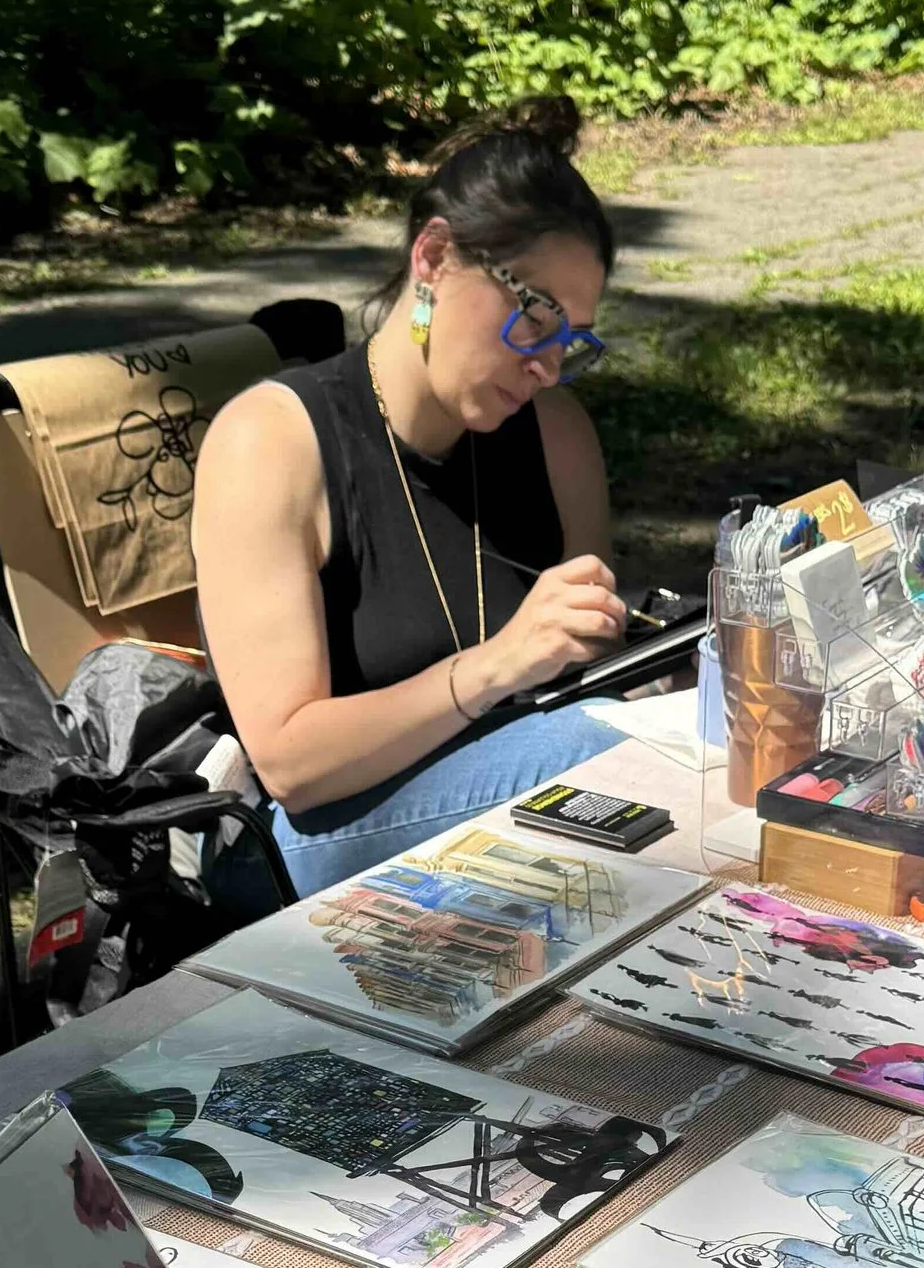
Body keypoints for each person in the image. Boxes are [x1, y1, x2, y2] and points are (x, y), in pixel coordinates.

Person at [191, 95, 630, 893]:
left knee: (666, 742)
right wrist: (492, 669)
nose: (548, 367)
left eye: (574, 341)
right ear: (433, 258)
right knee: (605, 760)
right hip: (310, 845)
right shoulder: (272, 442)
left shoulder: (555, 432)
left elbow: (591, 677)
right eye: (535, 319)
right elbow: (290, 762)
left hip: (513, 811)